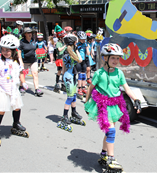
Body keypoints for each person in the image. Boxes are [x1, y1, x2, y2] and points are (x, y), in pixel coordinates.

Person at [84, 43, 141, 171]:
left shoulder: (119, 73)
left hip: (115, 105)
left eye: (117, 58)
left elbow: (126, 88)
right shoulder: (99, 73)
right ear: (106, 58)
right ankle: (110, 158)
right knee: (111, 131)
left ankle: (104, 154)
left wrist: (136, 99)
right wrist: (86, 103)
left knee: (110, 131)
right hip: (102, 105)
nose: (116, 61)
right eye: (113, 58)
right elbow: (90, 88)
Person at [57, 33, 84, 132]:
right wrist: (76, 50)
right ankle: (65, 116)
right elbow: (80, 60)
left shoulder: (68, 52)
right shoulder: (69, 53)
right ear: (73, 43)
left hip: (71, 76)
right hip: (69, 77)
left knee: (74, 96)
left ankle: (73, 112)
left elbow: (65, 67)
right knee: (70, 97)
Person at [18, 27, 43, 97]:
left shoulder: (33, 41)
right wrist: (20, 61)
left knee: (35, 74)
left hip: (33, 60)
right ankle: (21, 86)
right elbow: (19, 52)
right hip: (24, 61)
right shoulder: (22, 42)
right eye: (28, 33)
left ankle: (37, 89)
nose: (30, 34)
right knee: (23, 75)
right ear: (25, 34)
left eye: (31, 33)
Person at [76, 31, 90, 96]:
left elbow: (88, 54)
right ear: (79, 38)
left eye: (84, 39)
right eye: (82, 39)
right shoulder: (77, 44)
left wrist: (87, 47)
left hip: (84, 61)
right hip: (78, 61)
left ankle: (83, 87)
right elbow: (76, 52)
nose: (83, 40)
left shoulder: (86, 44)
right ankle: (79, 88)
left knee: (84, 74)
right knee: (80, 75)